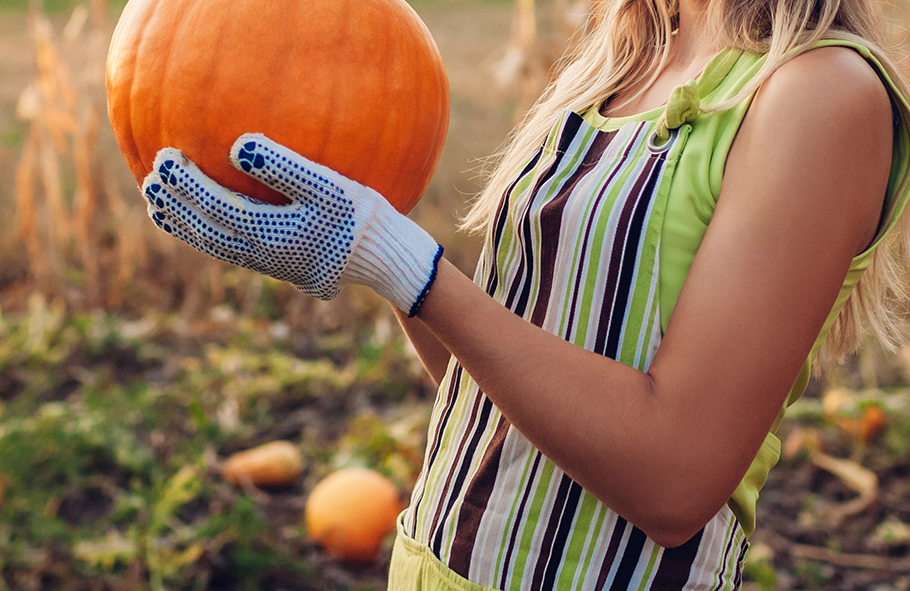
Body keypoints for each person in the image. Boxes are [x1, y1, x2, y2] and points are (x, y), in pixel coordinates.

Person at [140, 0, 910, 588]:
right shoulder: (623, 62)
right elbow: (495, 395)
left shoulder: (820, 93)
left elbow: (676, 480)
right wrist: (375, 262)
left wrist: (412, 270)